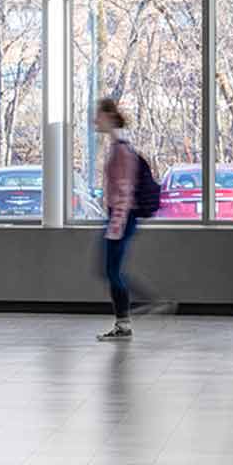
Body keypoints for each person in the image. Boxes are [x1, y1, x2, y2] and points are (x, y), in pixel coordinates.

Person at [94, 98, 150, 341]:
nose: (95, 120)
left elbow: (124, 191)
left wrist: (115, 226)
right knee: (110, 270)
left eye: (98, 115)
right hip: (119, 218)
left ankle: (141, 309)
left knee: (111, 271)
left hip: (121, 219)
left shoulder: (121, 150)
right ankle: (127, 319)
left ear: (108, 116)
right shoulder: (118, 147)